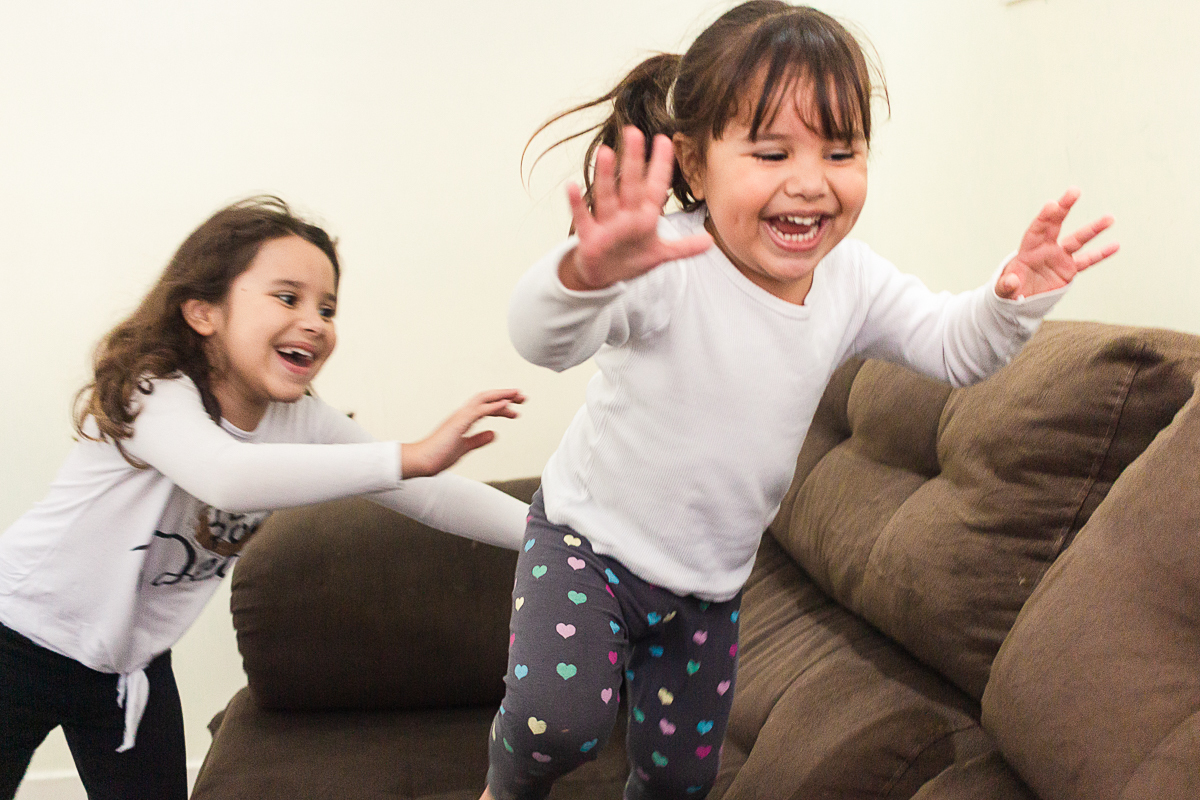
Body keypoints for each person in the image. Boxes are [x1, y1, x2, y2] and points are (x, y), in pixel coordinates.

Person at [488, 3, 1119, 799]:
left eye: (841, 150)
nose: (811, 182)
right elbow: (540, 341)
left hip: (709, 590)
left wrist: (1012, 297)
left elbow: (955, 349)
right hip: (589, 545)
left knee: (681, 779)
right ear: (692, 164)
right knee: (557, 723)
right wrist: (582, 274)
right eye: (771, 150)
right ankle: (503, 786)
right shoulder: (667, 262)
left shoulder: (851, 281)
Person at [0, 196, 528, 800]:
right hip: (17, 636)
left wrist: (559, 532)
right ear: (203, 311)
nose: (315, 321)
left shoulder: (300, 418)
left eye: (327, 307)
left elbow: (429, 496)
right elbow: (224, 475)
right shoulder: (154, 389)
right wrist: (409, 454)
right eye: (287, 297)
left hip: (129, 667)